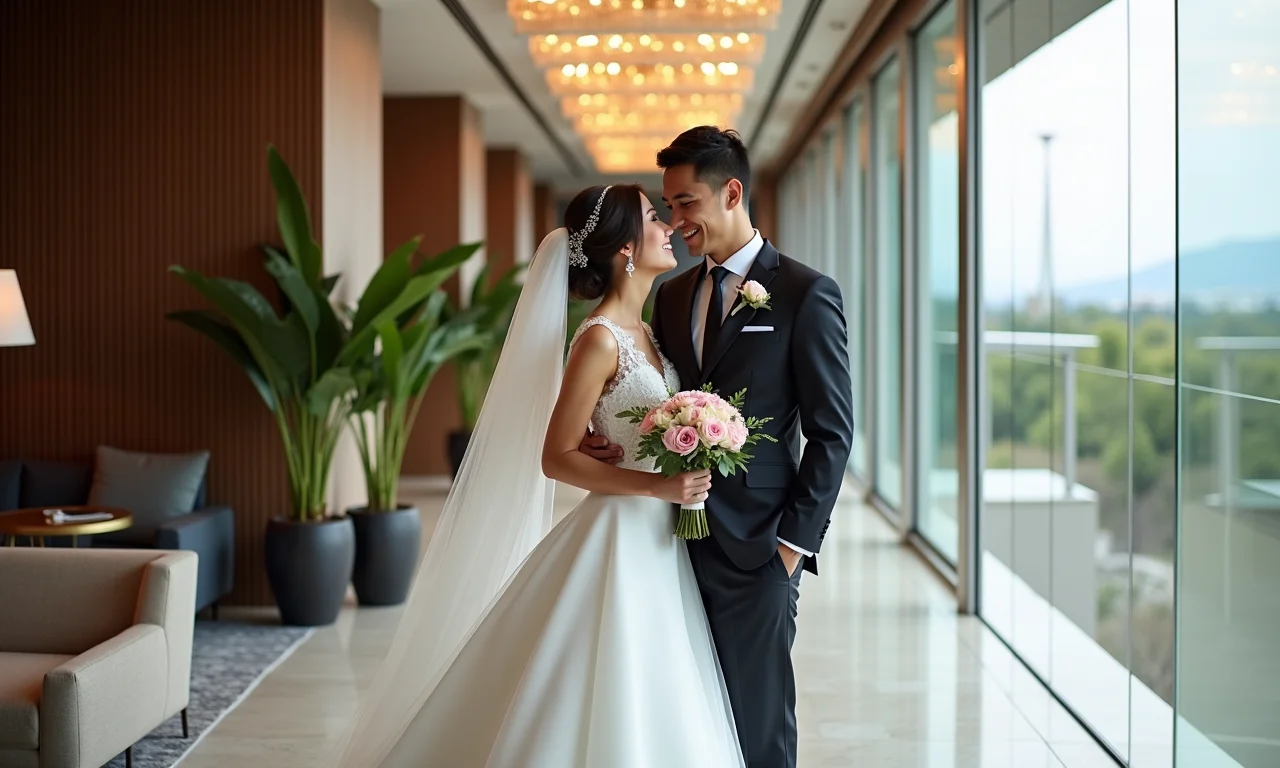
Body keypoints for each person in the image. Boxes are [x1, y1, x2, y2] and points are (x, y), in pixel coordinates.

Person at [334, 183, 746, 767]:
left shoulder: (647, 333)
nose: (671, 228)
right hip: (622, 529)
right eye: (656, 219)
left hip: (658, 532)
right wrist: (656, 484)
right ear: (625, 249)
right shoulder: (600, 341)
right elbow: (555, 457)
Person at [581, 126, 855, 768]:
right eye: (668, 207)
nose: (674, 223)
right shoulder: (671, 296)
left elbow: (833, 431)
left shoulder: (804, 294)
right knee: (682, 719)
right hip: (666, 543)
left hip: (758, 547)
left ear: (731, 192)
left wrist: (791, 547)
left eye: (685, 204)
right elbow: (649, 392)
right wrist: (601, 430)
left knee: (758, 723)